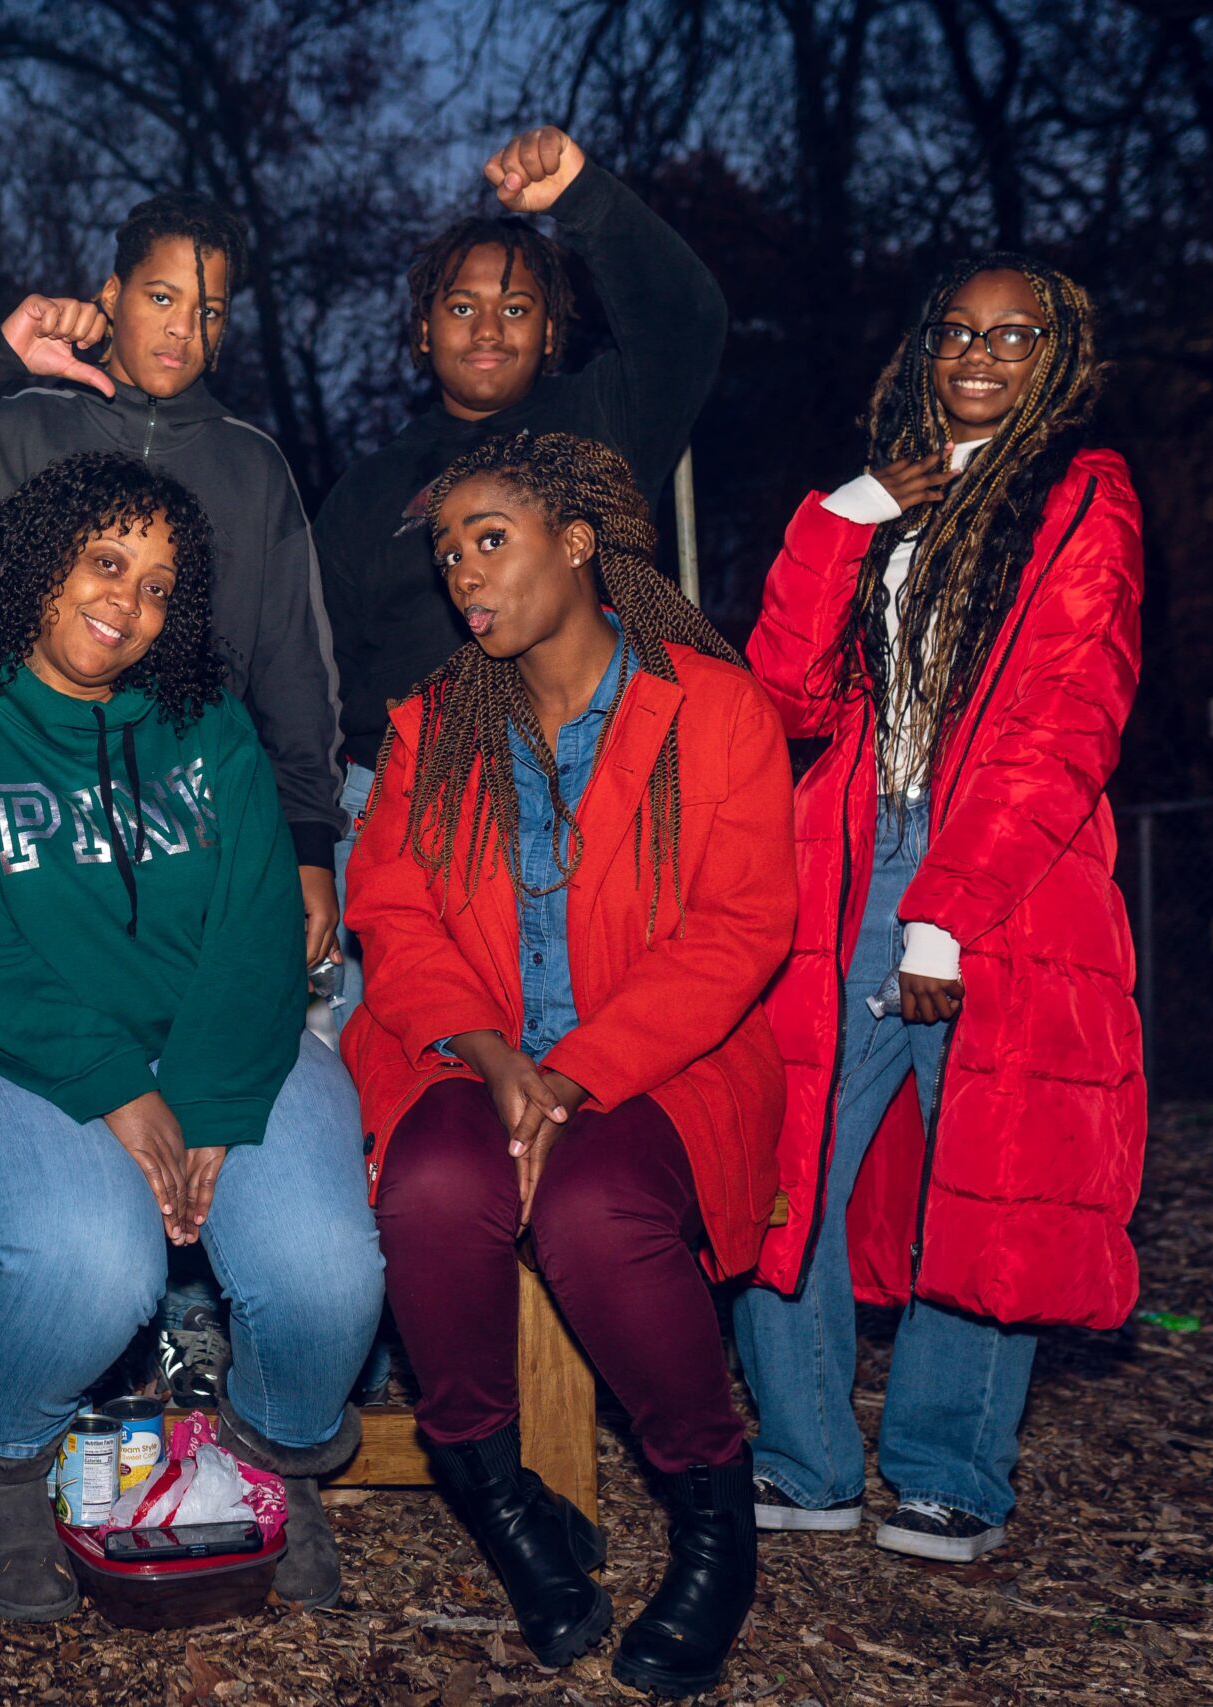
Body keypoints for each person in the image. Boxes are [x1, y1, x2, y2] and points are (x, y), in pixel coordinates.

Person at [0, 452, 384, 1620]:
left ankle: (270, 1449)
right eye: (107, 563)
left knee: (324, 1273)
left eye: (160, 586)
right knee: (89, 1263)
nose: (129, 602)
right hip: (3, 1048)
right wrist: (119, 1087)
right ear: (40, 566)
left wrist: (206, 1095)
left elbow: (257, 932)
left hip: (222, 1038)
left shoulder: (207, 725)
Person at [344, 432, 793, 1698]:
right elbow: (393, 912)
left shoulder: (714, 708)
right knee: (433, 1189)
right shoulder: (434, 726)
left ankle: (714, 1528)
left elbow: (741, 927)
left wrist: (578, 1075)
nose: (464, 575)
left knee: (595, 1209)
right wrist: (493, 1057)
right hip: (464, 1048)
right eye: (449, 554)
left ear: (579, 541)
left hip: (665, 1059)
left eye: (491, 541)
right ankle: (500, 1505)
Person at [734, 255, 1145, 1565]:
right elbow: (786, 695)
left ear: (1058, 357)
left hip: (1003, 873)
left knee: (987, 1173)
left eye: (1013, 336)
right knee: (779, 1159)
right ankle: (802, 1458)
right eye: (959, 332)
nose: (979, 354)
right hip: (848, 852)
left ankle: (945, 1473)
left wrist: (945, 913)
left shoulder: (1083, 501)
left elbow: (1061, 723)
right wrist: (844, 517)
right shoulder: (888, 497)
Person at [0, 191, 346, 976]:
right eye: (161, 297)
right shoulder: (21, 425)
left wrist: (308, 843)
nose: (183, 328)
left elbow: (294, 670)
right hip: (20, 818)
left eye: (209, 311)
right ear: (112, 295)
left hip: (189, 835)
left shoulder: (253, 467)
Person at [317, 125, 726, 1028]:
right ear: (423, 331)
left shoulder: (600, 421)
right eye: (462, 307)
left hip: (582, 791)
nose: (488, 328)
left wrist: (583, 196)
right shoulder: (366, 491)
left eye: (516, 307)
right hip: (397, 811)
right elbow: (315, 679)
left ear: (549, 333)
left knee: (577, 1052)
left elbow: (687, 321)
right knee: (392, 1059)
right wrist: (313, 837)